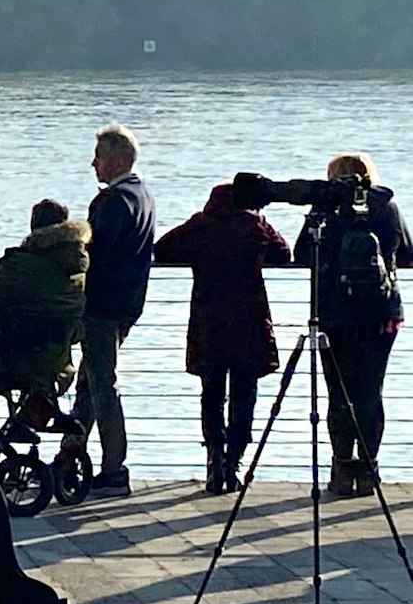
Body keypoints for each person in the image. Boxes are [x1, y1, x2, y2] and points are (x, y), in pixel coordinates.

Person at [154, 185, 293, 494]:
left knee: (212, 394)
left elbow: (162, 248)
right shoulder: (254, 226)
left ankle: (214, 457)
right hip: (248, 322)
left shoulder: (201, 225)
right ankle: (235, 460)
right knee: (245, 394)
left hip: (210, 323)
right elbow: (283, 253)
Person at [295, 152, 413, 498]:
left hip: (336, 317)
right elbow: (406, 252)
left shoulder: (324, 210)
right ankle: (370, 468)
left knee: (339, 394)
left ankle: (342, 468)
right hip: (380, 317)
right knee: (370, 392)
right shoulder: (386, 207)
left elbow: (303, 254)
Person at [67, 123, 157, 498]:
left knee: (102, 383)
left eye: (99, 157)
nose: (93, 165)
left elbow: (94, 254)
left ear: (117, 160)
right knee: (90, 380)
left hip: (102, 305)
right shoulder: (143, 195)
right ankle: (70, 452)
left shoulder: (111, 202)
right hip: (127, 302)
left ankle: (113, 468)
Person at [0, 200, 89, 399]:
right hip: (56, 365)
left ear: (33, 225)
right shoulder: (78, 267)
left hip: (10, 362)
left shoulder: (25, 266)